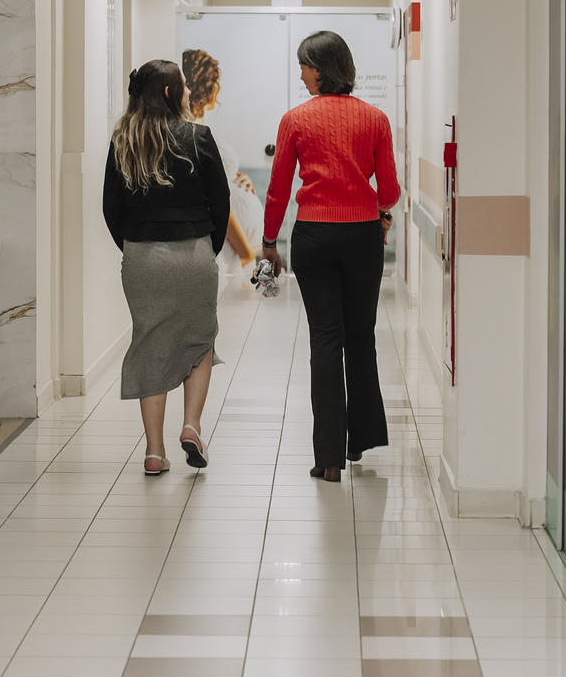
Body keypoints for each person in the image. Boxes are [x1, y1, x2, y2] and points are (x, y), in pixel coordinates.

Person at [260, 30, 401, 483]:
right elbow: (390, 191)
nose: (301, 75)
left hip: (314, 237)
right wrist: (380, 212)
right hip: (362, 237)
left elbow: (278, 190)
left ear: (320, 69)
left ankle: (329, 459)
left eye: (304, 67)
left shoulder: (294, 120)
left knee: (324, 341)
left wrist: (269, 242)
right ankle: (359, 440)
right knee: (360, 337)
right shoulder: (376, 119)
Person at [103, 59, 230, 477]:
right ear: (170, 92)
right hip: (193, 253)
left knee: (150, 343)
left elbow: (111, 207)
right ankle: (191, 426)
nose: (190, 93)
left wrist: (134, 245)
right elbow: (221, 202)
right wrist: (207, 248)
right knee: (200, 340)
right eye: (184, 86)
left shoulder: (123, 139)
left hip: (142, 258)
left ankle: (154, 452)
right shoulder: (198, 136)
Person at [182, 46, 265, 271]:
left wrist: (239, 178)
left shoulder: (199, 126)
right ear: (205, 84)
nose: (218, 86)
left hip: (234, 247)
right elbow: (212, 198)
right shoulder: (189, 130)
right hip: (232, 247)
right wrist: (246, 252)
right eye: (215, 80)